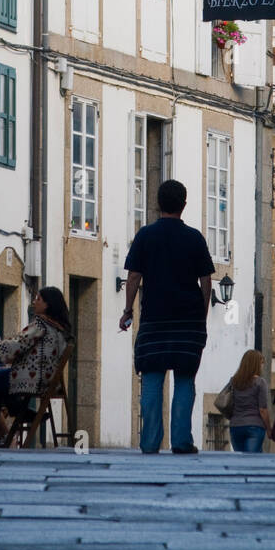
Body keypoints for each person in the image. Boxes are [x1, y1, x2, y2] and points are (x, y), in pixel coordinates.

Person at [120, 179, 215, 455]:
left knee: (151, 378)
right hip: (188, 322)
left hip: (154, 321)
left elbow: (134, 276)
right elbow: (206, 280)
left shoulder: (145, 236)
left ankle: (150, 442)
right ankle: (182, 441)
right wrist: (203, 314)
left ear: (158, 204)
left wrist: (128, 310)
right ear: (184, 205)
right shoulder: (195, 238)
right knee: (185, 379)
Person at [0, 287, 72, 446]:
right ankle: (13, 413)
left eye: (38, 299)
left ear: (47, 304)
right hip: (49, 380)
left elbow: (19, 343)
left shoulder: (41, 324)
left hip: (31, 379)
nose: (34, 302)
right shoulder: (60, 327)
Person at [227, 349, 272, 453]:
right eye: (261, 363)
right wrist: (269, 429)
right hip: (254, 426)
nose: (262, 366)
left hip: (235, 426)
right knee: (251, 460)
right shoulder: (260, 383)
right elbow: (263, 409)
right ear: (256, 364)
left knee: (241, 462)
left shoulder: (234, 381)